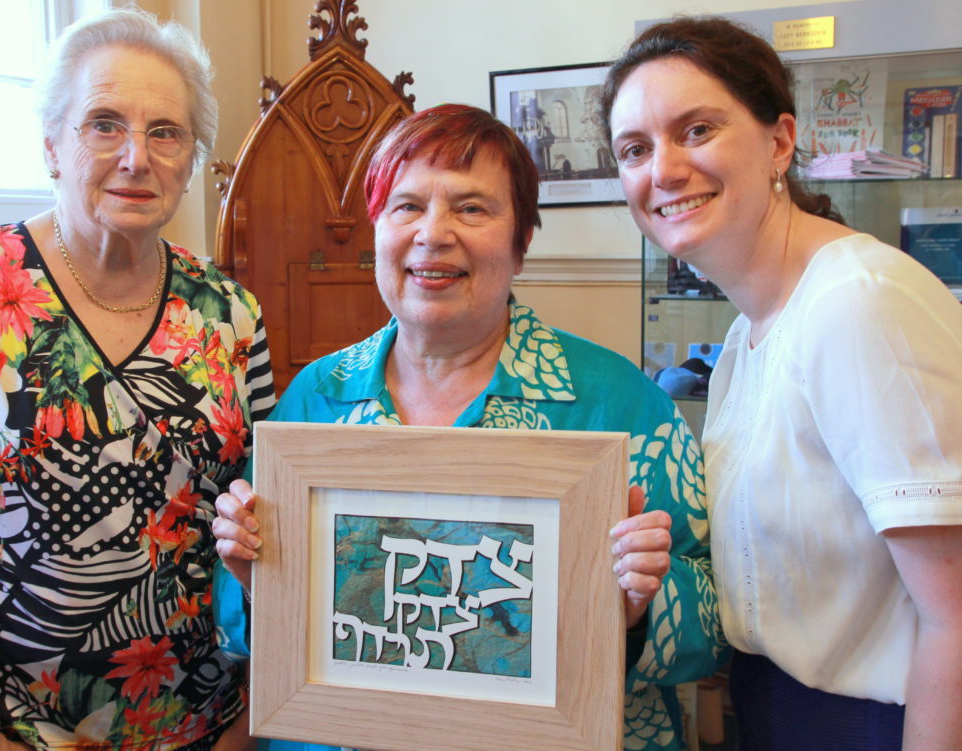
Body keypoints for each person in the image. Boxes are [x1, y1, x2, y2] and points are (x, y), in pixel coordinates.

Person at [211, 103, 729, 751]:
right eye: (405, 206)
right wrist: (256, 574)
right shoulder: (318, 396)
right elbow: (242, 634)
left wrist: (636, 607)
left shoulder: (618, 403)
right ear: (376, 230)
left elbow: (712, 625)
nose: (433, 233)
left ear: (522, 243)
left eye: (472, 208)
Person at [0, 8, 274, 750]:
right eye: (104, 123)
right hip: (4, 726)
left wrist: (250, 719)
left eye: (166, 132)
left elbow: (268, 538)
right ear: (51, 145)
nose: (137, 156)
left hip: (202, 722)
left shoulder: (233, 315)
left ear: (192, 157)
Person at [602, 16, 962, 751]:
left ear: (779, 141)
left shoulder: (860, 301)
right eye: (635, 149)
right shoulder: (748, 332)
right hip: (772, 708)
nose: (662, 170)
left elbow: (956, 615)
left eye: (696, 130)